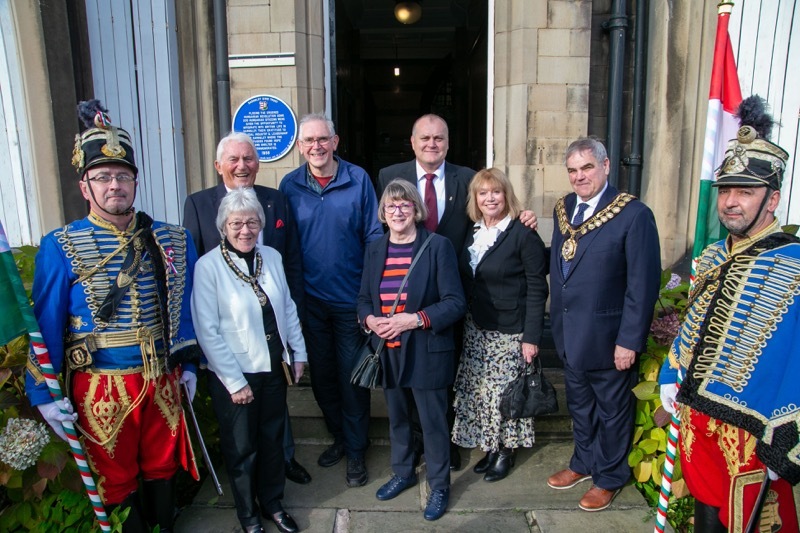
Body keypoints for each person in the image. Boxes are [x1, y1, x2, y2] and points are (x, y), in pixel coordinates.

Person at [25, 100, 201, 532]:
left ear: (135, 183)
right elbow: (45, 321)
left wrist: (191, 363)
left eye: (123, 176)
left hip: (162, 377)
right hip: (101, 383)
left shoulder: (172, 238)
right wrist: (44, 394)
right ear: (85, 187)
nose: (114, 185)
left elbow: (186, 305)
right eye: (102, 177)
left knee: (162, 467)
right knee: (115, 476)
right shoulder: (60, 244)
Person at [659, 97, 799, 531]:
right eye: (726, 191)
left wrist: (787, 441)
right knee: (707, 516)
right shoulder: (715, 253)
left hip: (757, 437)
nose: (731, 202)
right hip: (699, 422)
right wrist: (671, 371)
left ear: (772, 198)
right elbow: (697, 323)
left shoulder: (795, 263)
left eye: (746, 192)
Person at [377, 113, 539, 470]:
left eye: (439, 138)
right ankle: (418, 443)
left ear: (448, 143)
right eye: (425, 138)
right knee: (411, 376)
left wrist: (523, 215)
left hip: (454, 295)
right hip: (406, 292)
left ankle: (445, 443)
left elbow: (490, 211)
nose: (432, 144)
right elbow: (382, 226)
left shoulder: (466, 177)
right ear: (413, 141)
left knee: (447, 371)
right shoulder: (390, 177)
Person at [182, 131, 310, 485]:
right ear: (218, 165)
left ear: (258, 163)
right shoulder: (198, 203)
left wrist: (290, 312)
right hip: (231, 329)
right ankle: (246, 481)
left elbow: (292, 259)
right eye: (234, 160)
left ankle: (283, 462)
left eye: (249, 159)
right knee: (241, 422)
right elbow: (193, 266)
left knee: (275, 406)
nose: (242, 166)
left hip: (272, 322)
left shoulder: (276, 199)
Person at [548, 137, 661, 511]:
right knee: (580, 406)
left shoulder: (633, 214)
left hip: (610, 339)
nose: (580, 177)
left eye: (587, 168)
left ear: (606, 166)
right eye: (573, 170)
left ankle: (609, 478)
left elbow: (642, 285)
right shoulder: (563, 208)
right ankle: (583, 462)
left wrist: (629, 340)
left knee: (612, 412)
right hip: (570, 333)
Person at [191, 187, 306, 533]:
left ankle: (273, 503)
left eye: (252, 222)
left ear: (261, 224)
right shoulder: (208, 266)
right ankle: (248, 515)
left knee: (272, 442)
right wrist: (235, 382)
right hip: (235, 375)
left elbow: (286, 306)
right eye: (237, 223)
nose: (245, 230)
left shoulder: (270, 256)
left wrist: (297, 351)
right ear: (223, 227)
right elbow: (207, 330)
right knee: (242, 449)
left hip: (272, 367)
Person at [279, 113, 383, 487]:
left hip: (350, 302)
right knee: (322, 379)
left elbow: (374, 236)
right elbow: (286, 245)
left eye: (322, 139)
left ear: (335, 141)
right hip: (310, 305)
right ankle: (341, 437)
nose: (316, 147)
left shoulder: (358, 180)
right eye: (308, 141)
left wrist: (369, 297)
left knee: (351, 379)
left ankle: (356, 452)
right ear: (300, 146)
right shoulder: (289, 185)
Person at [357, 179, 466, 521]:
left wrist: (413, 320)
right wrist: (370, 321)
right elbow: (362, 300)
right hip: (387, 351)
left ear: (417, 210)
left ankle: (439, 486)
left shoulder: (437, 246)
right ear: (383, 214)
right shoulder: (375, 249)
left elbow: (455, 303)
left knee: (433, 422)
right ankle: (403, 472)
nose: (398, 211)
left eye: (405, 205)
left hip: (426, 350)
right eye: (391, 206)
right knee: (398, 418)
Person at [452, 168, 548, 483]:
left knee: (506, 394)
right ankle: (491, 447)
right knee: (484, 393)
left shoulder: (523, 233)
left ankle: (506, 451)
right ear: (475, 199)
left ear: (506, 195)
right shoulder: (472, 230)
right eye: (483, 193)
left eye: (496, 192)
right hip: (476, 328)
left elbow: (537, 288)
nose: (490, 198)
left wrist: (531, 338)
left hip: (511, 331)